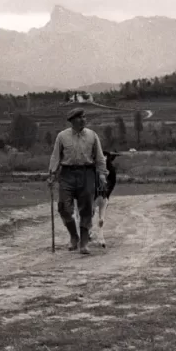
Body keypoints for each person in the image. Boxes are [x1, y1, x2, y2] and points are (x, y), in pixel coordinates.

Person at [47, 108, 108, 254]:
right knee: (64, 207)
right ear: (72, 121)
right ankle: (74, 236)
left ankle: (84, 243)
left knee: (86, 209)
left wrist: (102, 175)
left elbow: (99, 157)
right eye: (80, 118)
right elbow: (55, 157)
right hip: (67, 174)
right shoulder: (62, 136)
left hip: (87, 173)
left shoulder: (92, 136)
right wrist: (52, 174)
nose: (83, 120)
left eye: (84, 117)